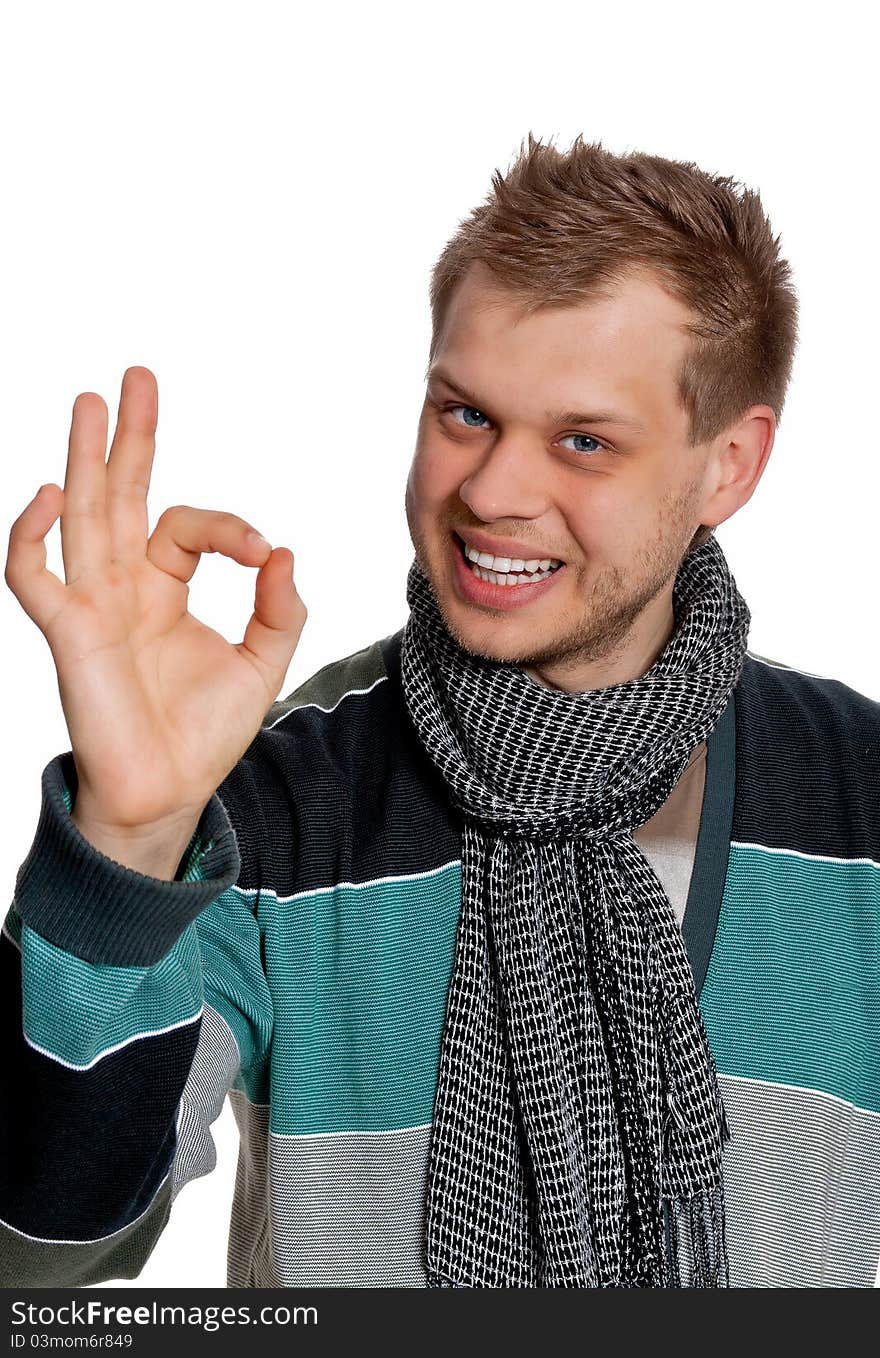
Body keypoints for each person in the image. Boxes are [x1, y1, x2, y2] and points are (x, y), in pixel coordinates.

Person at [2, 135, 878, 1290]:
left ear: (728, 465)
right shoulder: (279, 794)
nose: (493, 493)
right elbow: (39, 1253)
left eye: (582, 441)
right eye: (464, 415)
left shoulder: (858, 796)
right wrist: (127, 840)